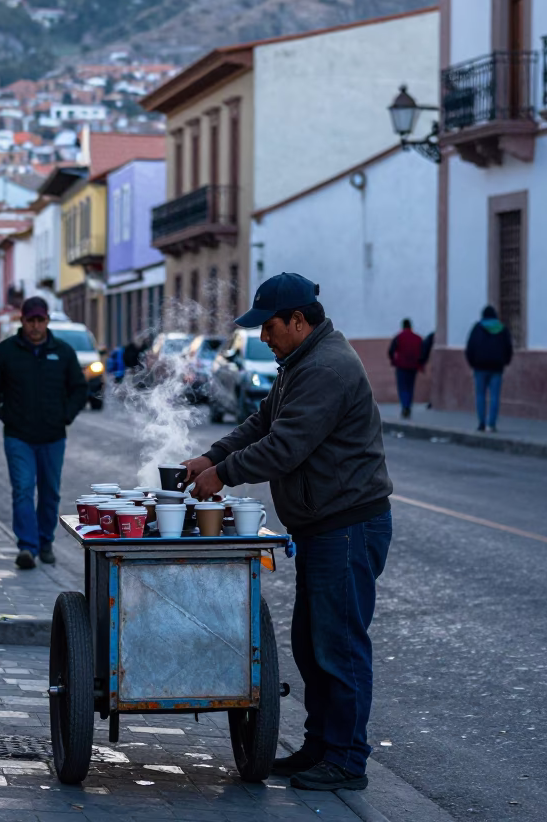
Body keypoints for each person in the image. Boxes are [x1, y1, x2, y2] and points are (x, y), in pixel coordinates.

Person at [184, 272, 392, 794]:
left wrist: (222, 475)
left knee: (338, 645)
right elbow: (263, 423)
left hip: (346, 526)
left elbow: (286, 446)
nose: (263, 336)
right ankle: (321, 745)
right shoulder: (300, 361)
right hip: (323, 526)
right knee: (312, 643)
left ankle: (347, 759)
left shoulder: (326, 367)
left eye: (270, 326)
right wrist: (213, 455)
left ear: (298, 321)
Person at [0, 296, 87, 570]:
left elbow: (80, 389)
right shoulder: (6, 352)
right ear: (22, 321)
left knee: (50, 493)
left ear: (47, 321)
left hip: (53, 436)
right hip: (18, 435)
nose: (35, 326)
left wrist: (66, 415)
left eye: (40, 320)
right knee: (23, 490)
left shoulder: (63, 352)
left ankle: (45, 541)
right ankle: (27, 546)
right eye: (30, 320)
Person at [465, 305, 514, 432]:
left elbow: (470, 347)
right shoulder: (502, 329)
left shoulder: (477, 328)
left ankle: (481, 423)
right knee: (495, 396)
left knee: (480, 395)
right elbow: (508, 347)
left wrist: (472, 363)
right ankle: (491, 424)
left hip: (479, 367)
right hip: (497, 368)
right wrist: (506, 362)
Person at [387, 319, 423, 419]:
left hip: (401, 366)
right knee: (410, 387)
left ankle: (405, 406)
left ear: (402, 326)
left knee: (402, 387)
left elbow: (391, 351)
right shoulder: (418, 338)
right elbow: (422, 351)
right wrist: (420, 364)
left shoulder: (398, 337)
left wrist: (393, 361)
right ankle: (408, 406)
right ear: (411, 326)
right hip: (413, 366)